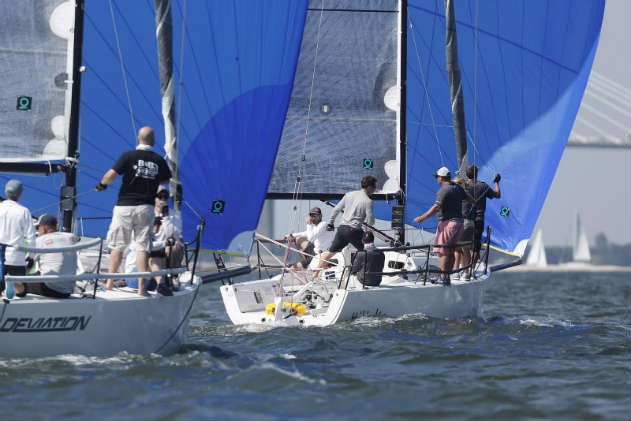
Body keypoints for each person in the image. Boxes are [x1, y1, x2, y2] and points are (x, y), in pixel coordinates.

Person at [96, 126, 171, 296]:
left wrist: (102, 185)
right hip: (146, 207)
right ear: (153, 141)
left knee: (117, 246)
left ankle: (109, 284)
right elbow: (167, 178)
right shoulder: (159, 160)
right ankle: (141, 288)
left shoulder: (128, 156)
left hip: (124, 206)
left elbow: (111, 175)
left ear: (138, 139)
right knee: (142, 248)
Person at [413, 167, 473, 285]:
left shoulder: (443, 190)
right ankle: (446, 277)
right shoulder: (458, 188)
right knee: (449, 251)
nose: (436, 179)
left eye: (437, 177)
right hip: (459, 224)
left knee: (443, 251)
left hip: (448, 224)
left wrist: (421, 218)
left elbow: (436, 207)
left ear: (441, 177)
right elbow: (469, 199)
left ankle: (444, 278)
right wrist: (475, 202)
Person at [317, 176, 377, 269]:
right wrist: (370, 223)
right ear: (369, 187)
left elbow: (336, 209)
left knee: (330, 253)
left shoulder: (348, 194)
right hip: (354, 231)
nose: (375, 190)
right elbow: (370, 222)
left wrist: (331, 223)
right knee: (369, 251)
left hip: (341, 229)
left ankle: (314, 275)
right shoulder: (368, 201)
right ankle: (358, 274)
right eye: (374, 187)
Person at [23, 214, 79, 298]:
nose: (38, 231)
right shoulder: (71, 237)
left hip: (50, 289)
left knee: (17, 283)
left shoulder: (40, 241)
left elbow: (27, 265)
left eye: (38, 228)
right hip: (69, 289)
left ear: (44, 228)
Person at [0, 180, 36, 297]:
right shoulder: (23, 211)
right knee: (21, 292)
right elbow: (31, 237)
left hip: (0, 258)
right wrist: (31, 257)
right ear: (20, 194)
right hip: (16, 258)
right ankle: (13, 281)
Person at [465, 165, 501, 270]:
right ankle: (471, 269)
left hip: (464, 220)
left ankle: (465, 269)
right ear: (477, 174)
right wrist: (496, 182)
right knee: (476, 246)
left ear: (467, 174)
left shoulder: (462, 185)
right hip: (478, 219)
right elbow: (497, 195)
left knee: (463, 245)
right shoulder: (483, 186)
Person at [452, 176, 474, 281]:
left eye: (455, 184)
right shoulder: (468, 194)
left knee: (459, 249)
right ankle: (465, 273)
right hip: (467, 223)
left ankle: (458, 272)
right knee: (464, 249)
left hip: (460, 223)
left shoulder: (456, 195)